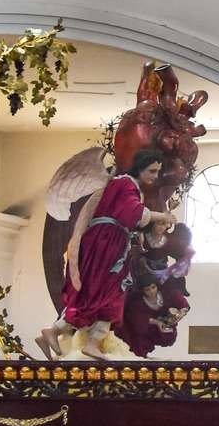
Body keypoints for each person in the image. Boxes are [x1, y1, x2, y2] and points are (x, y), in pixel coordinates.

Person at [38, 149, 177, 359]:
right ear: (140, 168)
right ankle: (88, 343)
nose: (155, 176)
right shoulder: (126, 184)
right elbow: (133, 213)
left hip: (107, 242)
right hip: (107, 244)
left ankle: (55, 331)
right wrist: (162, 216)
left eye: (157, 172)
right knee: (107, 295)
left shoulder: (122, 184)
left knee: (99, 294)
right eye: (151, 171)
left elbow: (130, 218)